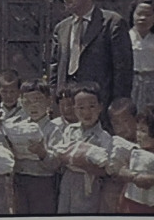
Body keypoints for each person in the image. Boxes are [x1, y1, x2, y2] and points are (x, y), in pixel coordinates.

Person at [49, 0, 133, 110]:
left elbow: (123, 70)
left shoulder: (112, 23)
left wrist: (118, 104)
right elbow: (55, 67)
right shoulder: (61, 28)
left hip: (99, 104)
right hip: (67, 105)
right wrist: (54, 98)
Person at [56, 82, 112, 214]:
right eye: (81, 107)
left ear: (100, 107)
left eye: (92, 106)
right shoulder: (70, 130)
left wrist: (81, 162)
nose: (87, 112)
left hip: (89, 184)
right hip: (68, 180)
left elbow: (106, 170)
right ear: (74, 109)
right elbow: (61, 153)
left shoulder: (104, 137)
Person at [11, 79, 63, 214]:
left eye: (38, 100)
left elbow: (57, 163)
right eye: (27, 102)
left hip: (42, 181)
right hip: (20, 178)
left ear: (48, 101)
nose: (33, 106)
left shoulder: (54, 129)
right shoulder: (17, 127)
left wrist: (42, 153)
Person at [128, 0, 154, 112]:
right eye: (139, 14)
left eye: (148, 14)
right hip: (131, 83)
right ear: (133, 15)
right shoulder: (124, 39)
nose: (143, 18)